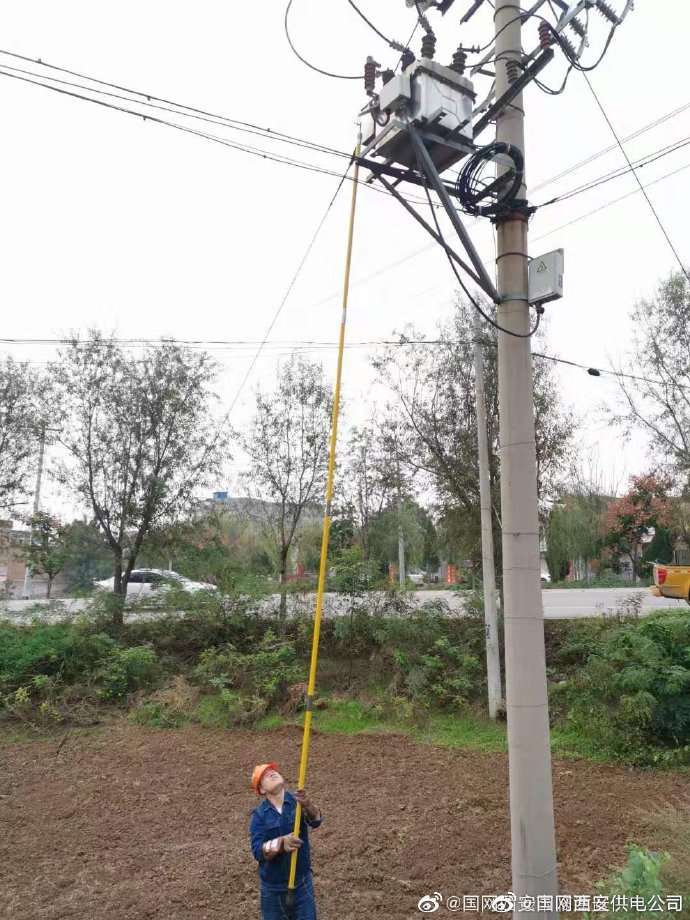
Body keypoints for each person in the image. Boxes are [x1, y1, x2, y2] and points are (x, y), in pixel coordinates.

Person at [249, 762, 323, 920]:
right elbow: (258, 851)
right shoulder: (259, 816)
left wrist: (308, 804)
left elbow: (316, 820)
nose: (271, 773)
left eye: (272, 770)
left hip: (302, 885)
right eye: (264, 775)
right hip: (272, 892)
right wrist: (281, 843)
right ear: (261, 790)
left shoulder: (298, 802)